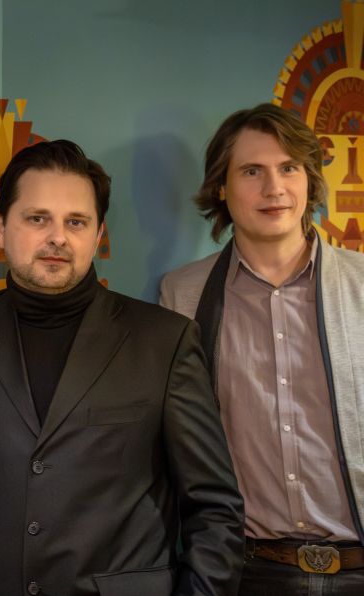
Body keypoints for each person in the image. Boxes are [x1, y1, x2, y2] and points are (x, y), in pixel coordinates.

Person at [0, 139, 244, 595]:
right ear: (0, 228)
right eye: (37, 218)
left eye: (76, 222)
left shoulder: (165, 342)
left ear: (98, 234)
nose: (58, 237)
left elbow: (215, 509)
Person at [161, 103, 364, 594]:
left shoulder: (361, 284)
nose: (274, 188)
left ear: (309, 180)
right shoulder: (182, 295)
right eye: (252, 171)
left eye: (289, 168)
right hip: (247, 572)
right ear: (221, 186)